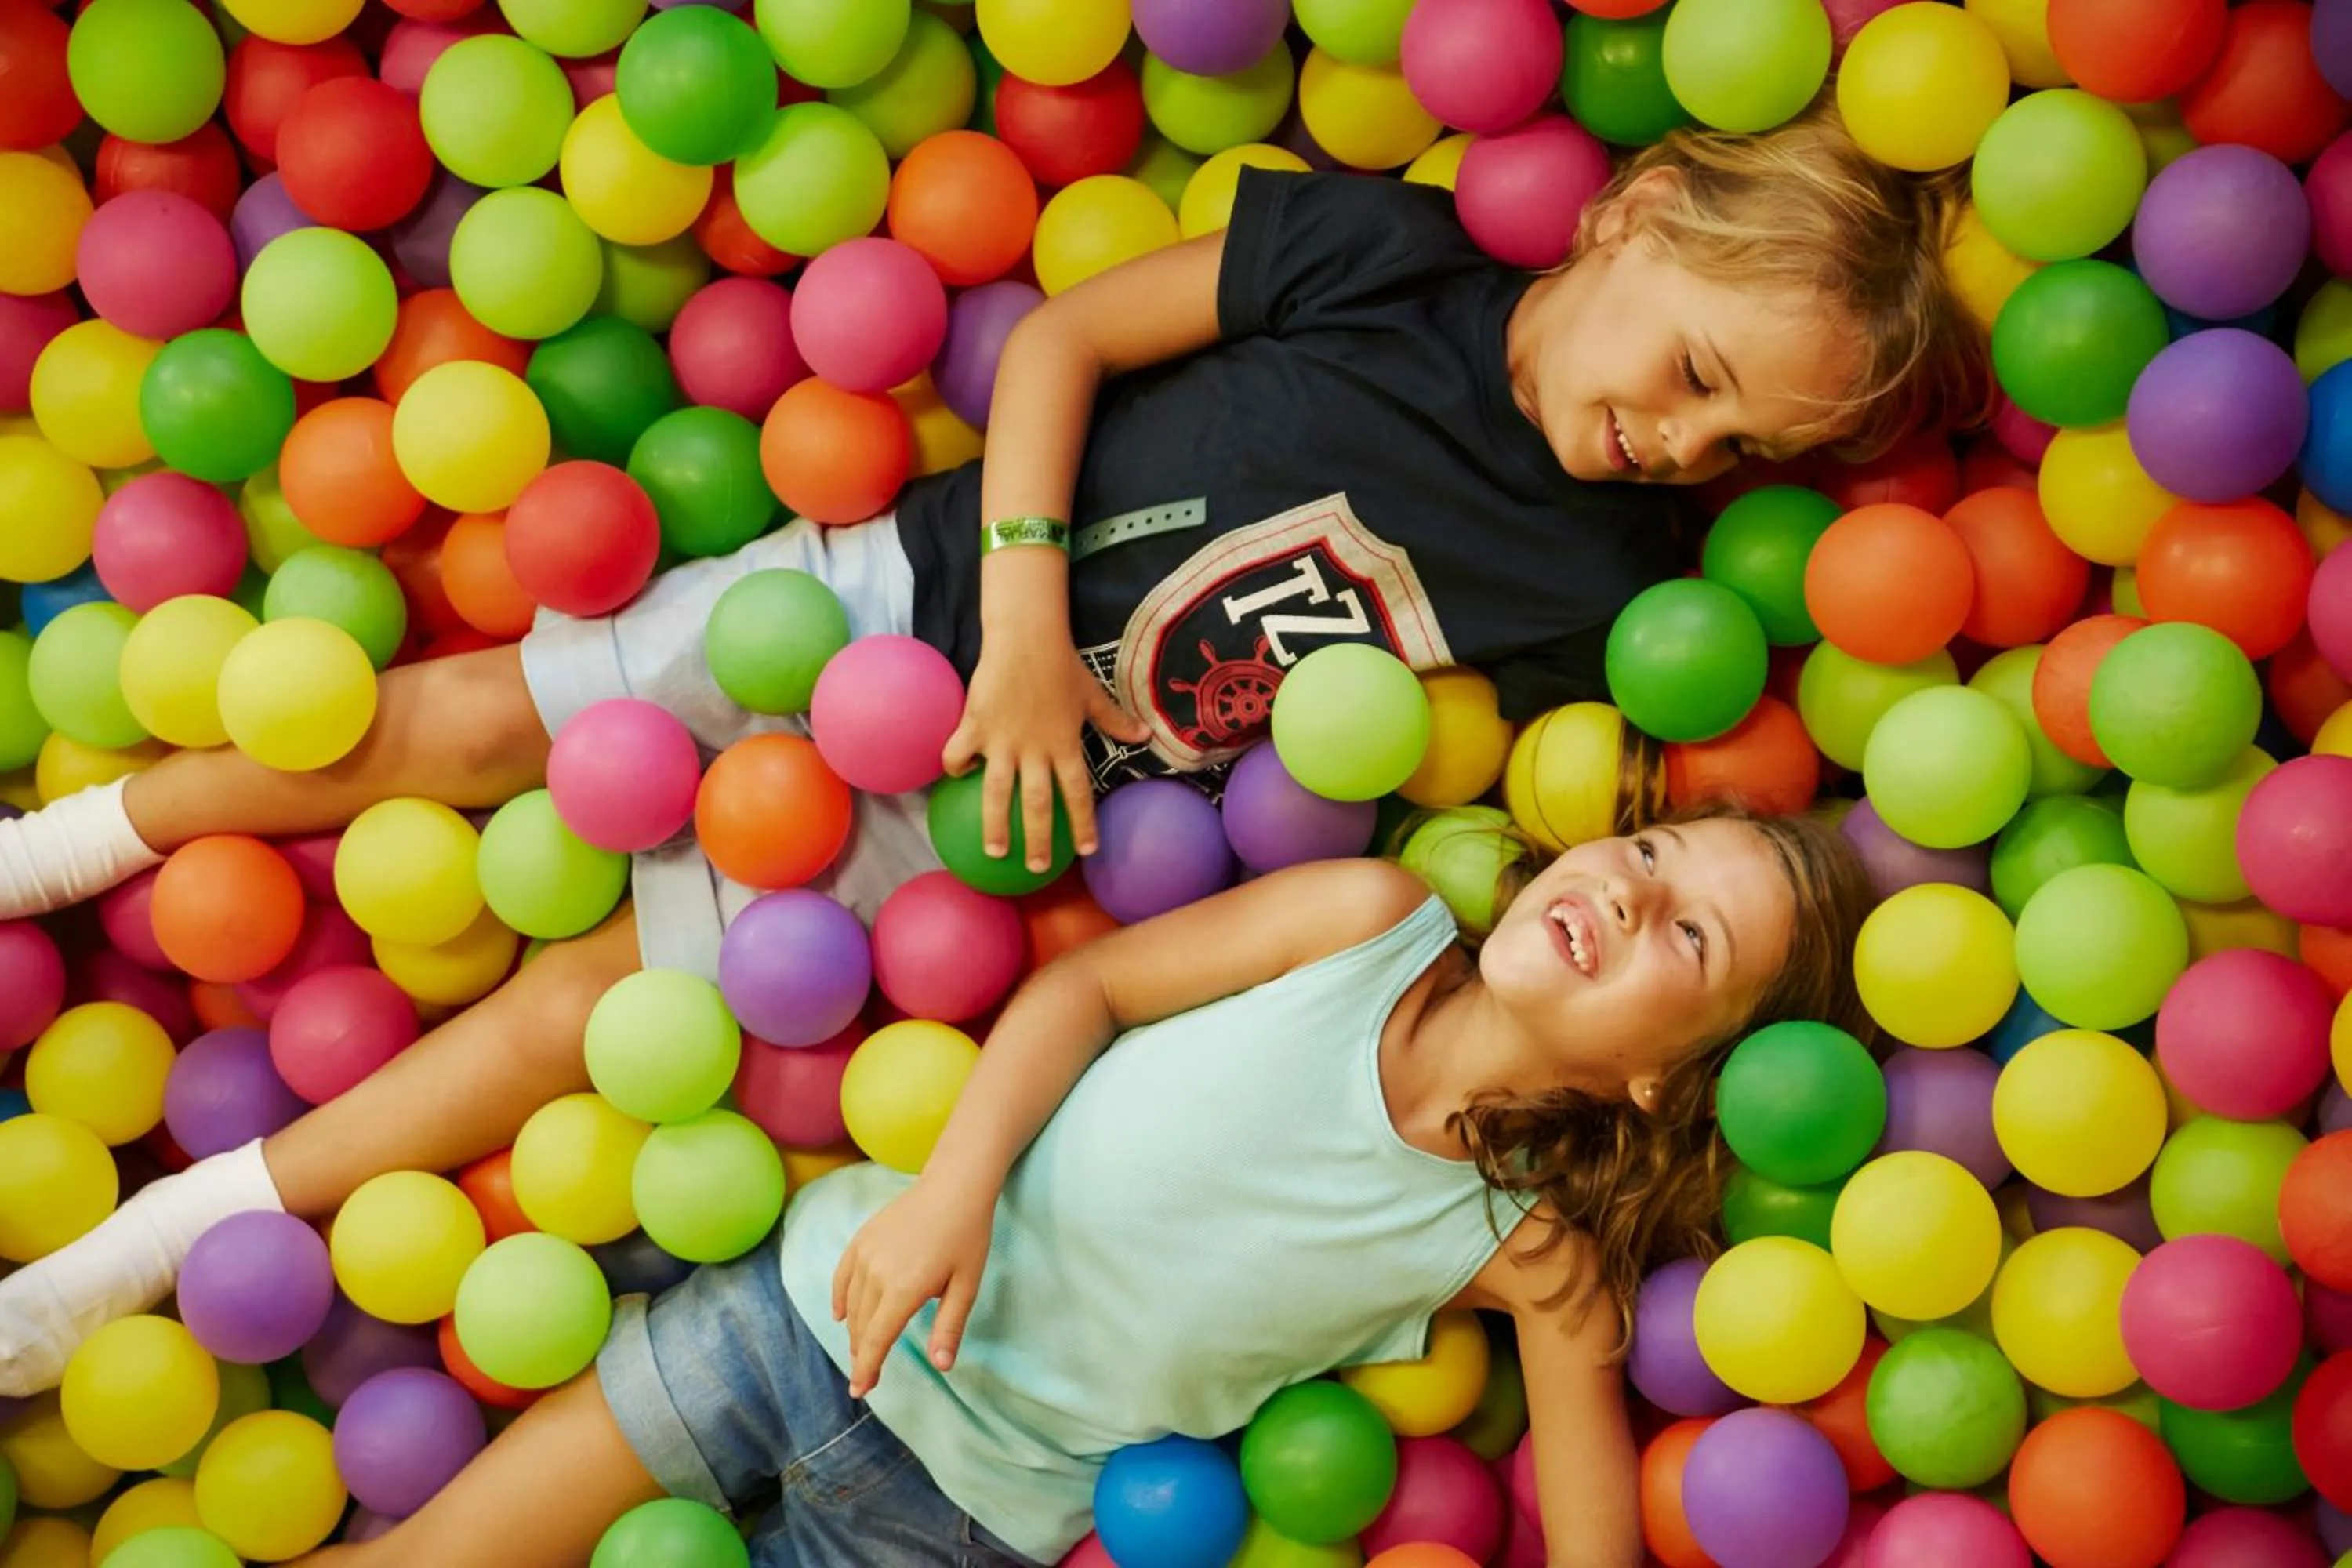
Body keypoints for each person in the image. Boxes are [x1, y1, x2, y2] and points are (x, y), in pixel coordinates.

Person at [0, 93, 1967, 1428]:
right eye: (1695, 376)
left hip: (994, 813)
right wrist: (1020, 609)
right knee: (467, 723)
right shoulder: (1388, 253)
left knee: (582, 1014)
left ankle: (137, 1249)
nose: (1680, 445)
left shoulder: (1607, 579)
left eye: (1740, 448)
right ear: (1634, 217)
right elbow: (1061, 343)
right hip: (880, 602)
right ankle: (70, 841)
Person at [274, 807, 1875, 1568]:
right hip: (815, 1320)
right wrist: (952, 1192)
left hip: (958, 1519)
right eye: (1653, 852)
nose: (1632, 895)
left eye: (1691, 937)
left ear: (1670, 1078)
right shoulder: (1364, 920)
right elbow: (1088, 987)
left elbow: (1594, 1536)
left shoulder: (1518, 1245)